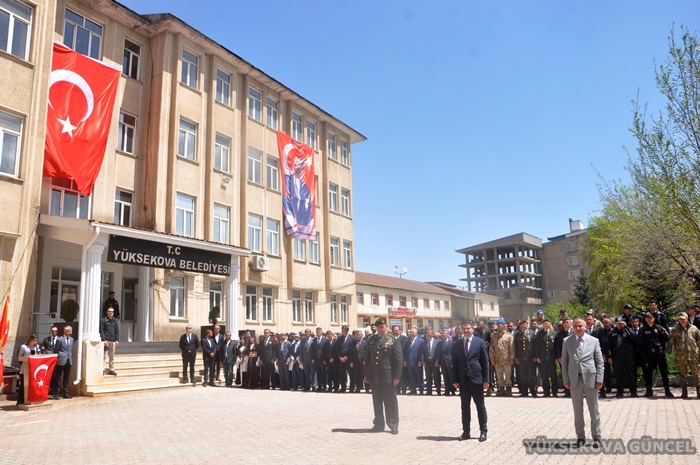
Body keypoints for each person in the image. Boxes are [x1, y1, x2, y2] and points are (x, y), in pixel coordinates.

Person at [561, 317, 604, 448]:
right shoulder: (567, 341)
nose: (578, 328)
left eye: (580, 326)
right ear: (572, 328)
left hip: (591, 379)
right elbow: (565, 362)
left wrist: (599, 379)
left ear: (585, 327)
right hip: (574, 380)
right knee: (577, 410)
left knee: (594, 409)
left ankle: (596, 437)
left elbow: (599, 362)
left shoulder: (594, 341)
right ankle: (580, 437)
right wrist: (565, 379)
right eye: (575, 326)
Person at [451, 322, 489, 442]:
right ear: (461, 330)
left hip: (476, 379)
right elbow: (454, 363)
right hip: (463, 381)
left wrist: (486, 380)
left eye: (468, 328)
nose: (466, 330)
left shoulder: (480, 342)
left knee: (480, 407)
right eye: (464, 329)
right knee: (465, 408)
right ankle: (466, 432)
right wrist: (455, 380)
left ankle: (483, 431)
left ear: (472, 329)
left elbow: (485, 362)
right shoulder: (457, 344)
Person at [364, 317, 403, 434]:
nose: (380, 329)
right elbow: (368, 358)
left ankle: (393, 424)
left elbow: (398, 360)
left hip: (387, 375)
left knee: (390, 400)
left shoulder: (393, 340)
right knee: (377, 401)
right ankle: (378, 424)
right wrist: (366, 374)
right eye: (378, 327)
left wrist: (397, 377)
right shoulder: (371, 340)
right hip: (374, 375)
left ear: (386, 327)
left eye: (382, 327)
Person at [639, 312, 673, 397]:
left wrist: (660, 345)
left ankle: (667, 390)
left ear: (653, 319)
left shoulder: (659, 328)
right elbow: (639, 342)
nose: (649, 319)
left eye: (650, 318)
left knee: (663, 372)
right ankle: (649, 391)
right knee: (648, 373)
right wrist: (643, 354)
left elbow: (667, 337)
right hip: (648, 354)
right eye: (647, 318)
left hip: (659, 353)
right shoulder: (643, 329)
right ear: (645, 319)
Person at [670, 312, 700, 398]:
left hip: (693, 355)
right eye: (680, 319)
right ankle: (684, 392)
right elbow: (672, 341)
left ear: (687, 319)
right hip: (681, 356)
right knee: (683, 375)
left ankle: (699, 391)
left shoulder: (694, 328)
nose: (681, 320)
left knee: (696, 374)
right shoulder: (675, 330)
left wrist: (698, 352)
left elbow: (698, 340)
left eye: (683, 319)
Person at [607, 317, 638, 398]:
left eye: (621, 323)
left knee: (631, 375)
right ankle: (619, 392)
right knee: (618, 376)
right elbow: (608, 346)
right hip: (617, 358)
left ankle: (633, 392)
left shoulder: (627, 331)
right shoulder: (611, 333)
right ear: (615, 324)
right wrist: (609, 356)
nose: (620, 325)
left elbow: (634, 337)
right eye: (618, 323)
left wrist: (626, 327)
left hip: (628, 357)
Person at [489, 319, 514, 397]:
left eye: (500, 325)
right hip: (497, 359)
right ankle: (501, 390)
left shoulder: (509, 336)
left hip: (506, 359)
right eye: (498, 325)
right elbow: (491, 348)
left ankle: (508, 390)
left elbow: (512, 348)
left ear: (504, 325)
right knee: (499, 376)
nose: (498, 326)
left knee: (507, 376)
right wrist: (492, 359)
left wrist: (512, 358)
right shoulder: (494, 336)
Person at [534, 319, 558, 397]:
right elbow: (537, 346)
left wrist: (557, 358)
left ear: (549, 324)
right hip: (543, 358)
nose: (545, 324)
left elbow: (556, 347)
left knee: (553, 375)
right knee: (544, 375)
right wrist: (537, 356)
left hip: (552, 358)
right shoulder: (539, 334)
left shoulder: (554, 333)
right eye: (544, 323)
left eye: (546, 323)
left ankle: (554, 392)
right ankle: (546, 392)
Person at [17, 333, 41, 405]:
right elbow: (19, 357)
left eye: (36, 341)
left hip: (34, 369)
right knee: (23, 386)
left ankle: (32, 399)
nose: (35, 342)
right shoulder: (24, 347)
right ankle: (21, 401)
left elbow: (39, 356)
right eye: (33, 341)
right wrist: (27, 359)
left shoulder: (37, 347)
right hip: (25, 369)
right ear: (29, 340)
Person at [51, 326, 74, 400]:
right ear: (65, 331)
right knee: (58, 378)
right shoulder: (60, 339)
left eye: (71, 331)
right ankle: (56, 394)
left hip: (68, 360)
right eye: (69, 331)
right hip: (61, 360)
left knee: (66, 378)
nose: (71, 333)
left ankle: (65, 393)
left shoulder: (72, 339)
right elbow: (56, 350)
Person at [99, 306, 120, 376]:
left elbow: (117, 331)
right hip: (106, 341)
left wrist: (117, 339)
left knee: (112, 356)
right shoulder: (103, 320)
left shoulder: (115, 321)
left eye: (112, 311)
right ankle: (102, 369)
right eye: (110, 311)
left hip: (113, 341)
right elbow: (102, 331)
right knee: (104, 356)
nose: (111, 313)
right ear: (107, 312)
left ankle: (112, 369)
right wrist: (104, 340)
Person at [405, 327, 425, 395]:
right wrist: (405, 360)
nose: (411, 334)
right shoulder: (408, 341)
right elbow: (406, 351)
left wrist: (420, 361)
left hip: (417, 362)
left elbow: (421, 352)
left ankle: (421, 390)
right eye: (410, 332)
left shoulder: (420, 341)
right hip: (409, 361)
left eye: (413, 332)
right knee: (411, 377)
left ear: (416, 333)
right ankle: (413, 390)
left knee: (419, 376)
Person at [438, 327, 455, 396]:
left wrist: (452, 362)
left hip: (449, 361)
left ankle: (453, 391)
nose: (443, 335)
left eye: (445, 333)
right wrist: (439, 362)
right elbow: (439, 353)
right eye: (442, 333)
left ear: (448, 334)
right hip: (443, 362)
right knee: (445, 377)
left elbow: (453, 353)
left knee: (451, 377)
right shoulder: (440, 343)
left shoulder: (451, 342)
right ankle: (447, 391)